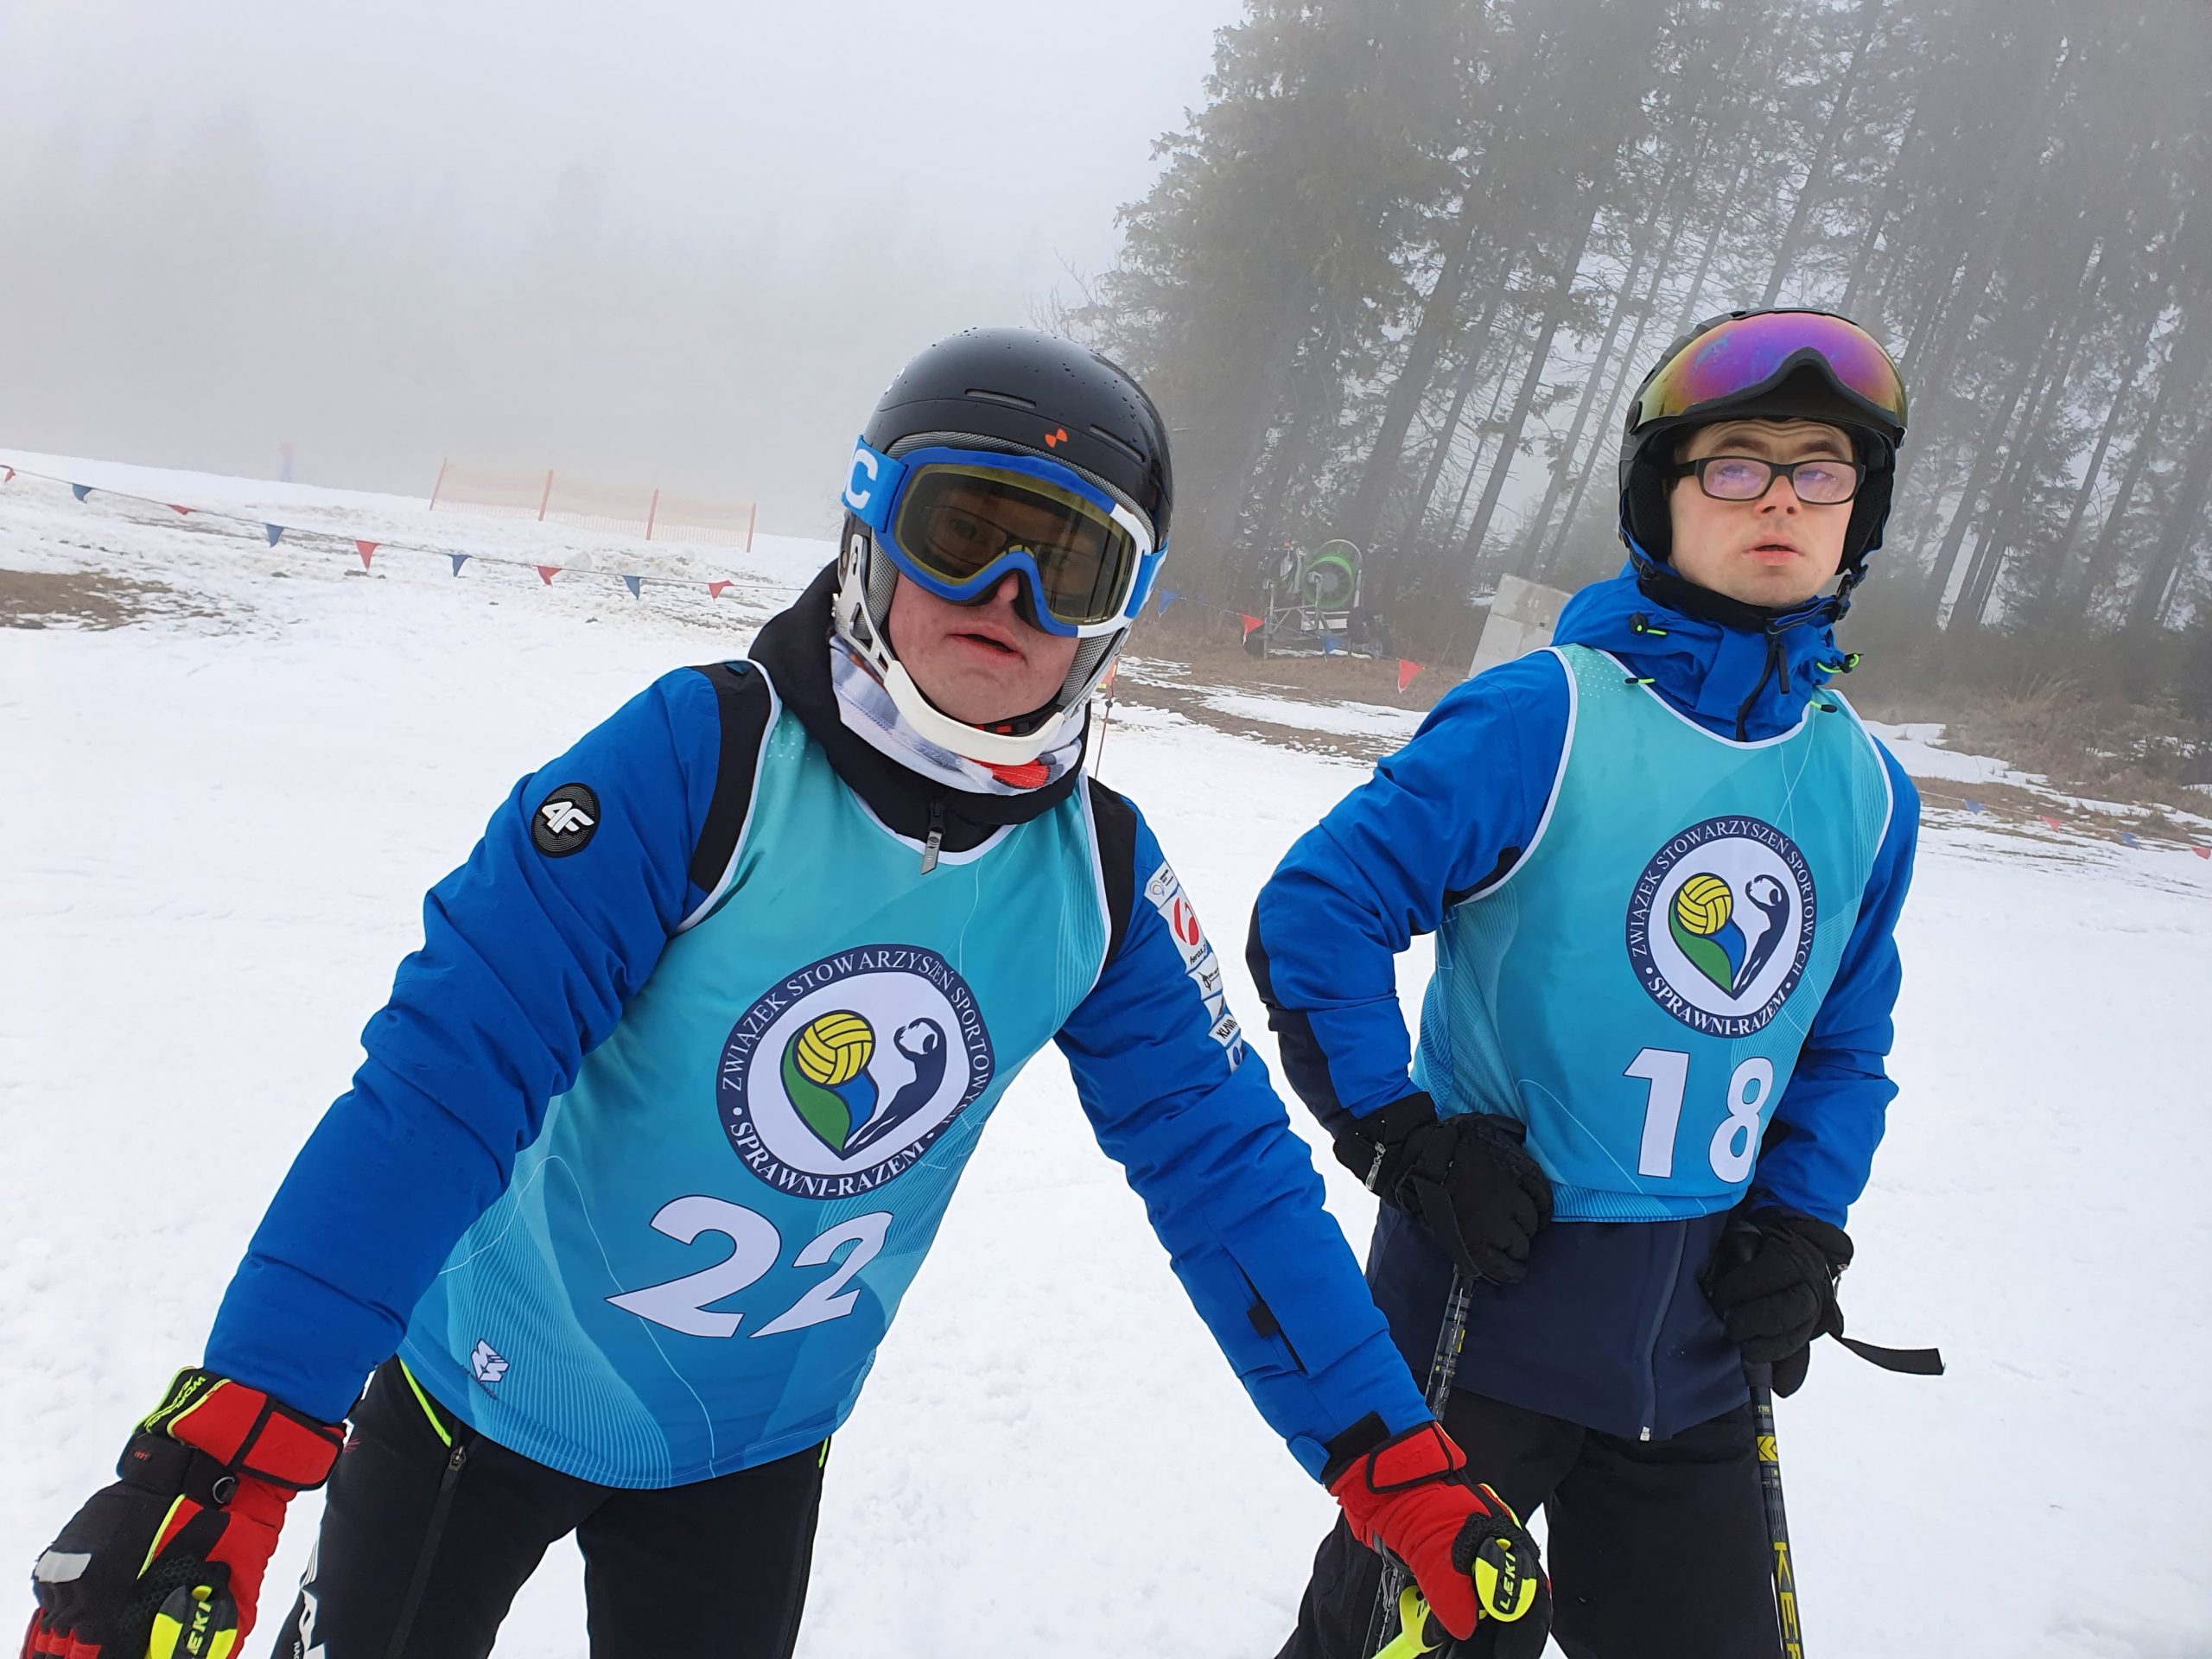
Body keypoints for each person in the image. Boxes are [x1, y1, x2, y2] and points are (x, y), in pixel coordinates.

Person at [22, 329, 1548, 1659]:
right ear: (872, 525)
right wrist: (240, 1436)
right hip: (479, 1399)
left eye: (1068, 564)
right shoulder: (702, 760)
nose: (1007, 594)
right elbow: (446, 1081)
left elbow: (1231, 1183)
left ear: (1116, 610)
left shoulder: (1098, 877)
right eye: (963, 530)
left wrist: (1393, 1461)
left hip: (746, 1454)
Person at [1253, 308, 1922, 1659]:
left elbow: (1844, 1043)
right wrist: (1402, 1138)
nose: (1781, 500)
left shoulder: (1863, 784)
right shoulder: (1544, 715)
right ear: (1659, 495)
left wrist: (1803, 1224)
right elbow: (1319, 911)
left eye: (1820, 469)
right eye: (1735, 464)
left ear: (1861, 510)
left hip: (1697, 1345)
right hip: (1485, 1317)